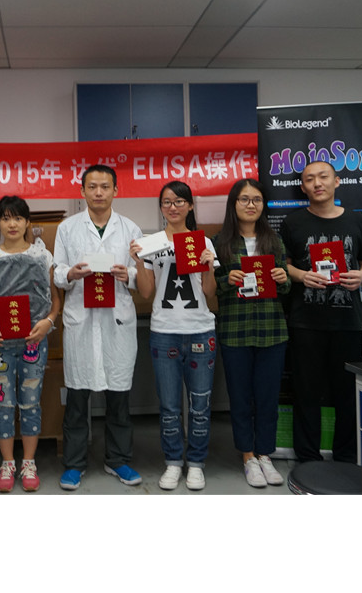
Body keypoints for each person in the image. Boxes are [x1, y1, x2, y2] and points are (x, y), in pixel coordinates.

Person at [53, 164, 143, 490]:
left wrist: (128, 275)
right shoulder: (67, 229)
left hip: (117, 321)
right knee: (77, 398)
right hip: (82, 320)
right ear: (82, 191)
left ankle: (118, 460)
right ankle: (74, 464)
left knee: (118, 396)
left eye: (105, 186)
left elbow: (142, 273)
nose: (99, 193)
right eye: (92, 187)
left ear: (116, 190)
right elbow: (57, 271)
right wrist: (71, 274)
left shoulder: (131, 228)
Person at [280, 161, 362, 463]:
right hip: (305, 321)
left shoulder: (356, 221)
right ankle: (308, 458)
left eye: (323, 177)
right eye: (309, 179)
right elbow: (283, 265)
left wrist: (361, 276)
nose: (317, 183)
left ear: (337, 181)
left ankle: (346, 456)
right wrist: (301, 275)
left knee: (346, 392)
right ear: (303, 187)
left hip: (347, 321)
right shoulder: (293, 222)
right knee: (306, 392)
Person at [129, 180, 217, 491]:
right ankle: (173, 461)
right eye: (167, 202)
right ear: (161, 207)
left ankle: (197, 463)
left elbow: (210, 293)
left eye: (180, 201)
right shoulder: (151, 243)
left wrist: (209, 267)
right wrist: (138, 261)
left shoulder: (203, 242)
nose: (173, 207)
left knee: (200, 404)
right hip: (164, 331)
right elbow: (146, 292)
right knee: (168, 405)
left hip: (200, 329)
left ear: (190, 206)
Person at [0, 196, 61, 492]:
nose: (12, 224)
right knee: (3, 404)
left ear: (27, 222)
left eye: (18, 218)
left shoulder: (42, 256)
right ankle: (8, 462)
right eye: (6, 218)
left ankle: (29, 462)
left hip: (33, 341)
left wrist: (48, 321)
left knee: (31, 402)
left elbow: (54, 298)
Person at [212, 178, 291, 487]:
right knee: (241, 397)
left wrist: (283, 278)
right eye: (244, 199)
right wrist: (225, 280)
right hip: (236, 330)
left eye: (256, 199)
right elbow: (210, 287)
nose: (250, 205)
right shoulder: (219, 242)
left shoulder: (275, 241)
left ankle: (265, 454)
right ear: (234, 205)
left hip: (272, 330)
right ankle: (247, 456)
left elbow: (286, 287)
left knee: (268, 397)